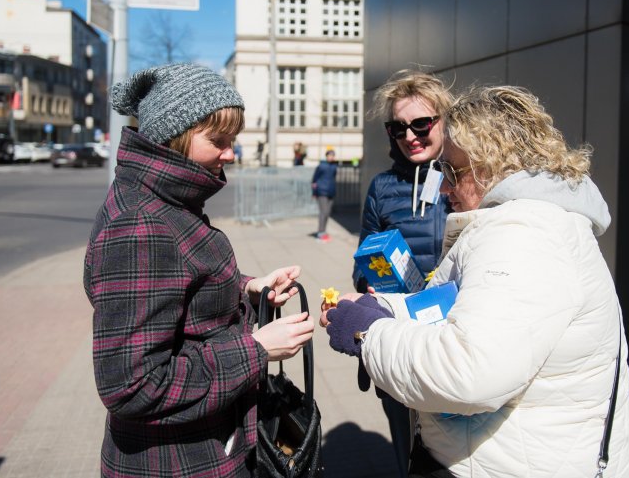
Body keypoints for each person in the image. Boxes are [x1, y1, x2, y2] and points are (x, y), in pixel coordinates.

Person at [323, 85, 629, 477]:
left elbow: (468, 371)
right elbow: (459, 303)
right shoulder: (527, 222)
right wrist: (385, 306)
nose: (445, 187)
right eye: (397, 127)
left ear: (492, 162)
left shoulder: (525, 235)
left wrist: (369, 333)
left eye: (452, 171)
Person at [84, 63, 315, 478]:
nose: (230, 154)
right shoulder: (140, 225)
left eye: (233, 141)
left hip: (204, 449)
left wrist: (248, 288)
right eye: (218, 141)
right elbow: (132, 386)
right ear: (175, 136)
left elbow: (178, 284)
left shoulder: (164, 199)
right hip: (177, 463)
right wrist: (256, 350)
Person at [354, 69, 454, 476]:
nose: (410, 136)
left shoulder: (466, 179)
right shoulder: (382, 187)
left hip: (453, 338)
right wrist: (372, 280)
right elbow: (361, 263)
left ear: (444, 121)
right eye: (398, 127)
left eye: (421, 124)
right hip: (399, 336)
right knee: (406, 450)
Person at [311, 149, 338, 241]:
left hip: (331, 192)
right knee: (324, 212)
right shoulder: (321, 166)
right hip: (322, 192)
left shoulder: (334, 166)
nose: (331, 157)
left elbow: (333, 178)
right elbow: (314, 180)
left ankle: (324, 231)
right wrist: (314, 192)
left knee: (327, 212)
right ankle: (320, 232)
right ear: (326, 156)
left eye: (333, 155)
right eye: (330, 155)